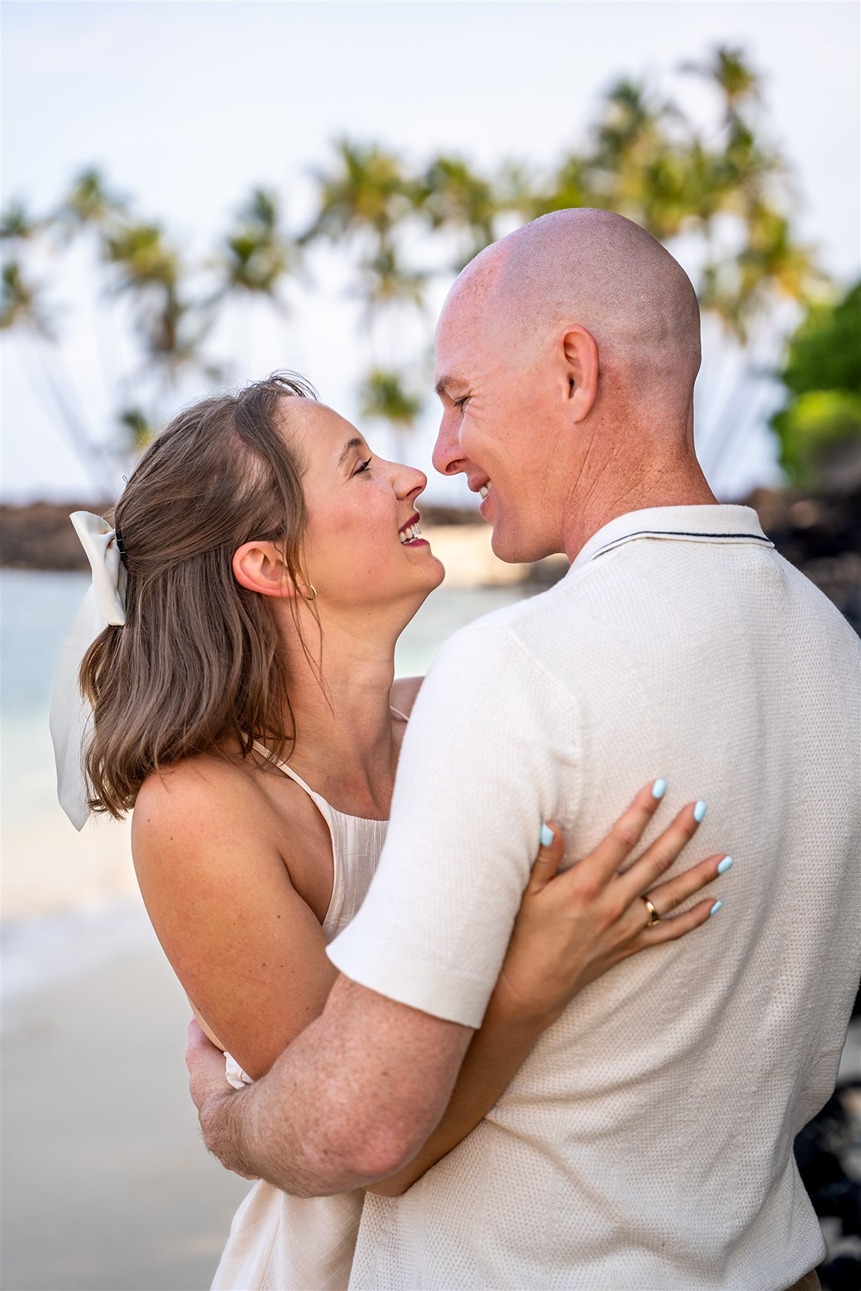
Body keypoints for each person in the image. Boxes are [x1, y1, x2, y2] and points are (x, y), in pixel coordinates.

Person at [187, 210, 861, 1291]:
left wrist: (235, 1123)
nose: (443, 454)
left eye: (462, 399)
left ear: (573, 370)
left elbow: (360, 1129)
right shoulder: (835, 654)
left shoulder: (516, 669)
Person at [54, 372, 724, 1290]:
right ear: (273, 566)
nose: (412, 475)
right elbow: (367, 1146)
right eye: (361, 466)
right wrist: (534, 975)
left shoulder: (469, 713)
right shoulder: (205, 810)